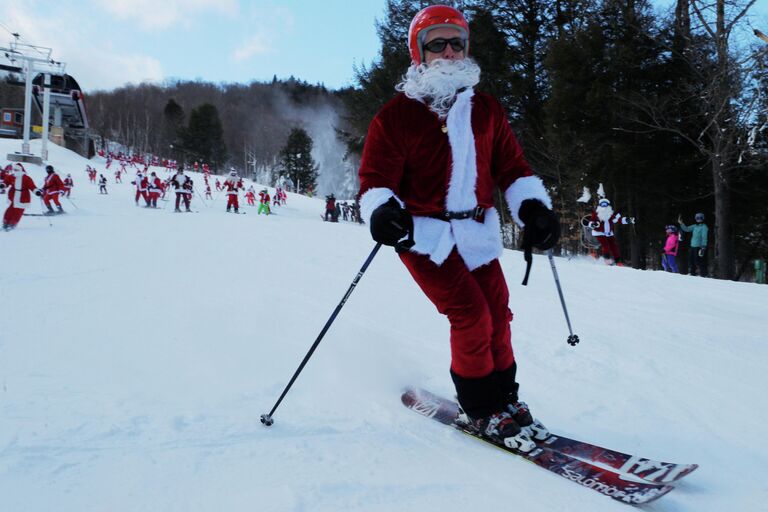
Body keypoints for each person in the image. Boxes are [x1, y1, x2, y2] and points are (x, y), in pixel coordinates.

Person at [357, 5, 558, 451]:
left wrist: (534, 210)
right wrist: (382, 211)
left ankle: (507, 399)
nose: (448, 52)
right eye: (437, 44)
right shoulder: (395, 116)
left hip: (477, 234)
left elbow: (513, 168)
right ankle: (481, 406)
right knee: (470, 315)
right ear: (419, 54)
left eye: (456, 43)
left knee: (499, 315)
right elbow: (375, 182)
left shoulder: (485, 110)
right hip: (424, 238)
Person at [588, 197, 635, 264]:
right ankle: (607, 260)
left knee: (614, 246)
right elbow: (590, 222)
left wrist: (628, 220)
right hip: (599, 232)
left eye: (605, 204)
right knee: (606, 245)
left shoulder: (612, 213)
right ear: (600, 205)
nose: (604, 206)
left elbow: (620, 219)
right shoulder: (596, 214)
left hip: (609, 233)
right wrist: (593, 224)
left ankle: (618, 261)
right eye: (602, 204)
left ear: (608, 205)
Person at [1, 162, 41, 231]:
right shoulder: (12, 176)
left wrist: (36, 191)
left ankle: (13, 224)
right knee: (10, 210)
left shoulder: (26, 178)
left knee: (18, 211)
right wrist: (3, 185)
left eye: (17, 170)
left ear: (20, 170)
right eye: (15, 170)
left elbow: (32, 186)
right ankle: (5, 223)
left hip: (23, 196)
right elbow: (6, 182)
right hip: (13, 195)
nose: (15, 171)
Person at [679, 212, 708, 277]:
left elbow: (704, 237)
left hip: (699, 247)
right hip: (693, 246)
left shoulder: (704, 227)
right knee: (691, 260)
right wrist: (681, 223)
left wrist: (703, 247)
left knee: (699, 261)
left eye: (700, 218)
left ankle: (703, 274)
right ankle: (692, 274)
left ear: (703, 218)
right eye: (697, 218)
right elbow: (686, 229)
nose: (699, 219)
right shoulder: (694, 226)